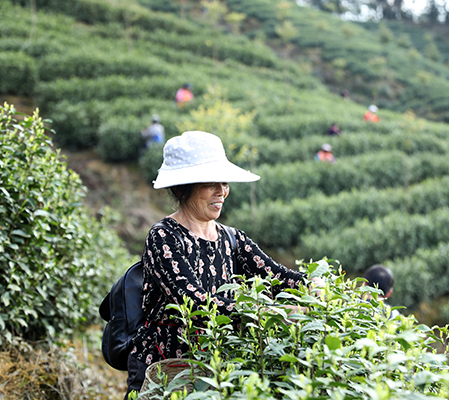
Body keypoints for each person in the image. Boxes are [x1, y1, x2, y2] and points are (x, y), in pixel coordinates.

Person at [125, 131, 323, 398]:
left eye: (225, 183)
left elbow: (276, 276)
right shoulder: (164, 237)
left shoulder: (231, 238)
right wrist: (268, 312)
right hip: (166, 367)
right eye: (211, 184)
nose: (222, 191)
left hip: (215, 366)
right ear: (184, 188)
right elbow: (195, 302)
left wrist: (315, 283)